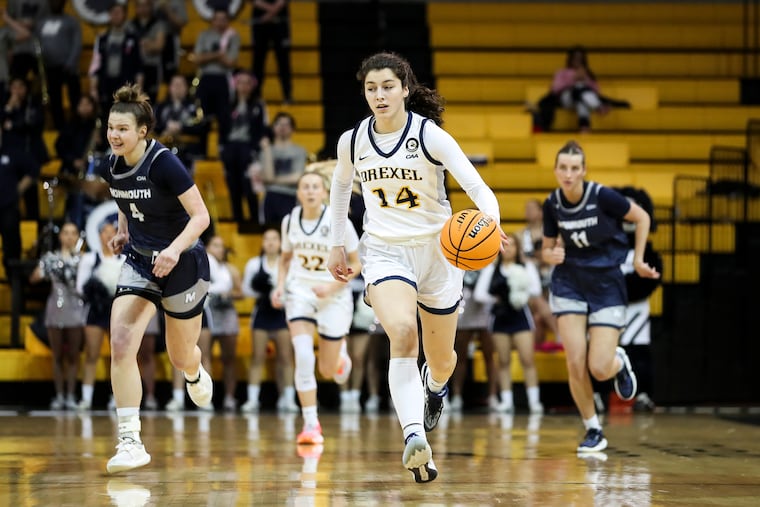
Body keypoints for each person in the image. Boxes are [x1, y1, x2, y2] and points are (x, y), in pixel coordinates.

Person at [326, 51, 503, 483]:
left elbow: (477, 187)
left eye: (387, 86)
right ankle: (413, 437)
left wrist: (493, 226)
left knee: (442, 361)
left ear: (405, 88)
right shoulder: (352, 141)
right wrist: (336, 243)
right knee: (403, 333)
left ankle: (435, 386)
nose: (379, 95)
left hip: (440, 253)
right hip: (386, 251)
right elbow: (340, 187)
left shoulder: (429, 136)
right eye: (371, 88)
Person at [97, 83, 212, 473]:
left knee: (180, 356)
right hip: (140, 261)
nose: (114, 135)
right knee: (121, 341)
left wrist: (173, 250)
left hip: (182, 260)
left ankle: (194, 372)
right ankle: (130, 440)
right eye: (111, 127)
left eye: (123, 129)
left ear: (142, 131)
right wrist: (122, 229)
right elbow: (126, 200)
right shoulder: (110, 163)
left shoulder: (165, 163)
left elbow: (201, 217)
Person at [541, 140, 660, 453]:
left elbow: (643, 218)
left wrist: (636, 260)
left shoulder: (603, 196)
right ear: (555, 171)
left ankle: (618, 363)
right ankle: (593, 428)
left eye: (574, 168)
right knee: (575, 361)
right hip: (569, 283)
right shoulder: (552, 203)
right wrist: (549, 256)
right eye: (563, 168)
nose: (568, 174)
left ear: (583, 171)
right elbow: (546, 247)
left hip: (606, 283)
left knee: (598, 367)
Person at [272, 171, 360, 445]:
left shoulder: (340, 223)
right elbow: (286, 258)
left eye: (315, 187)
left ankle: (339, 356)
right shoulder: (290, 221)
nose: (310, 191)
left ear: (324, 193)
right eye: (305, 187)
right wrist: (280, 285)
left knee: (327, 370)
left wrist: (333, 286)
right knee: (302, 354)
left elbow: (357, 264)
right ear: (298, 193)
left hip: (333, 296)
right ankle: (311, 423)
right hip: (301, 292)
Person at [473, 232, 544, 415]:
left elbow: (536, 290)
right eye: (505, 245)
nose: (509, 248)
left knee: (527, 359)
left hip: (520, 317)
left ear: (518, 248)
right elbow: (479, 294)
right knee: (503, 361)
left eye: (512, 245)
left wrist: (520, 292)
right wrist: (497, 298)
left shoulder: (526, 266)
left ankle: (534, 401)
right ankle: (506, 401)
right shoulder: (492, 268)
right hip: (500, 318)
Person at [240, 227, 297, 413]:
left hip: (282, 314)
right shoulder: (254, 264)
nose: (271, 242)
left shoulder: (289, 262)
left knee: (286, 358)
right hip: (262, 314)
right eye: (267, 239)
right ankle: (252, 399)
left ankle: (288, 399)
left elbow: (296, 286)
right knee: (257, 357)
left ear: (280, 243)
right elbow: (246, 289)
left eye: (274, 239)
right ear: (263, 243)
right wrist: (260, 287)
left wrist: (284, 295)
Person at [29, 222, 86, 410]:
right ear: (60, 236)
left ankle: (70, 395)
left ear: (78, 236)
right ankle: (59, 395)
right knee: (57, 355)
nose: (69, 237)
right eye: (66, 233)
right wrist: (42, 269)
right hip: (55, 307)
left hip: (76, 308)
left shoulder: (84, 259)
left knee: (73, 356)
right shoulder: (50, 258)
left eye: (73, 233)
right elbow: (34, 278)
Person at [75, 218, 125, 411]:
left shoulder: (124, 259)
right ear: (99, 235)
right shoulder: (90, 258)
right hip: (96, 311)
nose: (109, 234)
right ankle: (86, 398)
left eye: (112, 231)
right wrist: (98, 292)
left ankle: (117, 398)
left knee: (118, 356)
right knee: (92, 354)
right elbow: (81, 286)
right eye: (104, 231)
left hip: (118, 311)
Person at [532, 46, 630, 133]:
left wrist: (586, 80)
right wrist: (573, 79)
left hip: (582, 99)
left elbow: (596, 91)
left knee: (581, 99)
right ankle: (599, 107)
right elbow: (555, 89)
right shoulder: (562, 72)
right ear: (570, 59)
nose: (577, 60)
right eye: (575, 58)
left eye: (580, 59)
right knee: (578, 88)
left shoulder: (587, 73)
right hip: (566, 98)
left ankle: (584, 127)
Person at [200, 234, 243, 412]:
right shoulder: (204, 266)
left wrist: (227, 295)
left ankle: (229, 397)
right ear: (208, 248)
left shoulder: (230, 270)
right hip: (208, 311)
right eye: (216, 245)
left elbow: (240, 293)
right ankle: (205, 398)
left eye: (222, 246)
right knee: (205, 356)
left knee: (229, 359)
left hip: (226, 313)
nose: (220, 249)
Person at [221, 71, 268, 224]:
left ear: (252, 85)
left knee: (249, 186)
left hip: (249, 149)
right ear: (235, 84)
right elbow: (222, 129)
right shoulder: (228, 104)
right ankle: (237, 220)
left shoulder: (258, 105)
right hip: (230, 149)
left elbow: (263, 128)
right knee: (233, 186)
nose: (244, 86)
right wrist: (221, 149)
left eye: (248, 82)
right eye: (240, 82)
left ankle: (254, 220)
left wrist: (258, 150)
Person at [448, 268, 496, 413]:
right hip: (465, 302)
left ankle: (493, 396)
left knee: (490, 356)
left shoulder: (489, 260)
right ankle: (457, 396)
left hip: (485, 304)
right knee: (460, 355)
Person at [520, 198, 561, 349]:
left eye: (532, 208)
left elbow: (557, 254)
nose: (528, 212)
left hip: (550, 281)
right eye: (527, 208)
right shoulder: (520, 235)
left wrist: (545, 259)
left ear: (541, 212)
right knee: (537, 306)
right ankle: (558, 336)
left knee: (538, 316)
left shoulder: (552, 232)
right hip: (531, 284)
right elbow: (519, 259)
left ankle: (544, 345)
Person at [260, 111, 308, 226]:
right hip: (270, 196)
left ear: (292, 129)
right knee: (269, 231)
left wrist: (273, 179)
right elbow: (266, 177)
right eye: (279, 124)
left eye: (286, 125)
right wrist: (266, 149)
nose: (282, 128)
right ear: (273, 127)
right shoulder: (266, 150)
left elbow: (297, 178)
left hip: (290, 196)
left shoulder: (300, 151)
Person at [251, 0, 292, 104]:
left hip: (280, 17)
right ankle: (256, 96)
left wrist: (273, 11)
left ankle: (287, 95)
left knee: (283, 60)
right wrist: (270, 9)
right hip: (260, 17)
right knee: (258, 60)